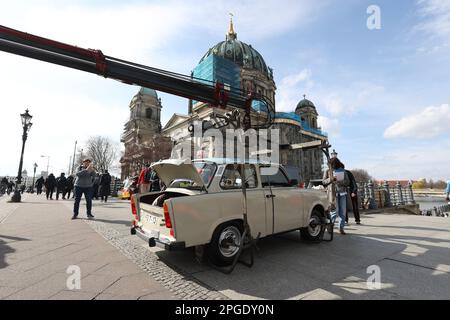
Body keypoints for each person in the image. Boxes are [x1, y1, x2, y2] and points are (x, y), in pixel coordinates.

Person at [323, 157, 350, 235]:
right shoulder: (328, 171)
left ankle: (341, 228)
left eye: (332, 164)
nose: (331, 166)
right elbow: (324, 182)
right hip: (333, 194)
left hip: (342, 193)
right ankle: (330, 226)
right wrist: (331, 179)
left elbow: (347, 182)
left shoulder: (343, 170)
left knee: (343, 212)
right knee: (334, 211)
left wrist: (341, 182)